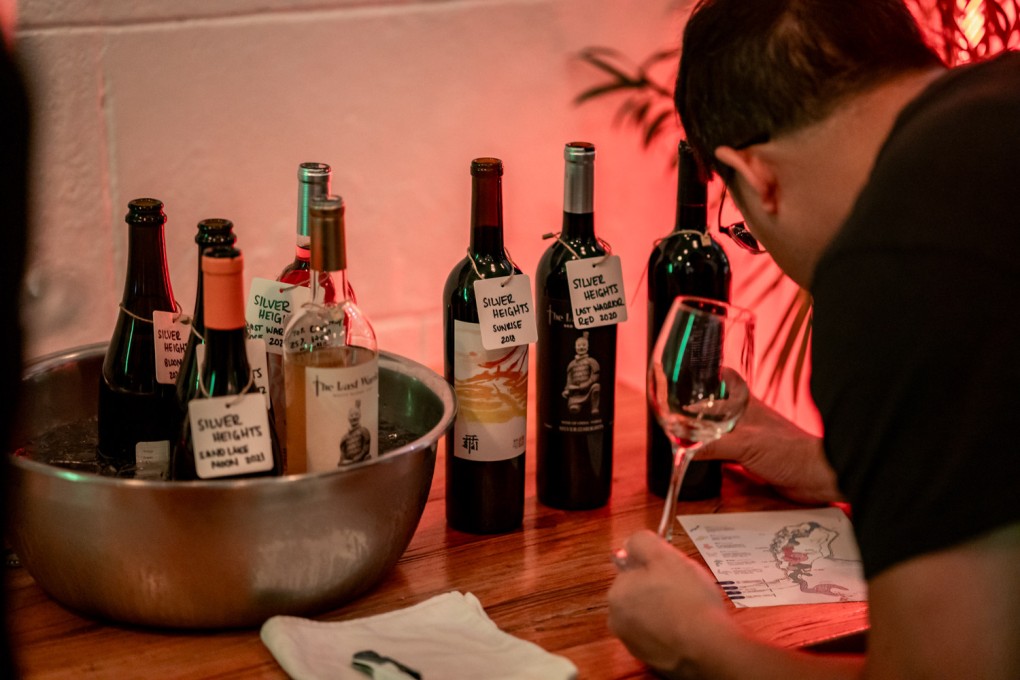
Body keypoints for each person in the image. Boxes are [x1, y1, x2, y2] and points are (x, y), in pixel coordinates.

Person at [607, 1, 1020, 678]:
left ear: (758, 175)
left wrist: (696, 641)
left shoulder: (893, 262)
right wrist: (829, 463)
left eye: (741, 224)